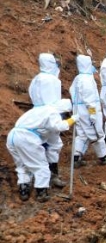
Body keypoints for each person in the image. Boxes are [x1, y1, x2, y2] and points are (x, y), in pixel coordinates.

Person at [7, 98, 75, 201]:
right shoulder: (53, 113)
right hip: (27, 138)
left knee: (22, 165)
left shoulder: (40, 110)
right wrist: (73, 120)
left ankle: (24, 190)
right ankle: (41, 193)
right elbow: (60, 126)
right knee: (41, 166)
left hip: (13, 137)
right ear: (63, 111)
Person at [28, 53, 66, 188]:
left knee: (37, 145)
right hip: (49, 116)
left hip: (35, 116)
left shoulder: (36, 79)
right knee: (54, 145)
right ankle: (52, 176)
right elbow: (53, 102)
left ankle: (33, 178)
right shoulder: (52, 80)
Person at [69, 55, 106, 166]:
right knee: (97, 134)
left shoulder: (78, 78)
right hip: (88, 111)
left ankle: (76, 158)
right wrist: (93, 114)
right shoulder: (87, 80)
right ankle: (104, 157)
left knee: (82, 134)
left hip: (78, 110)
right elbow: (89, 99)